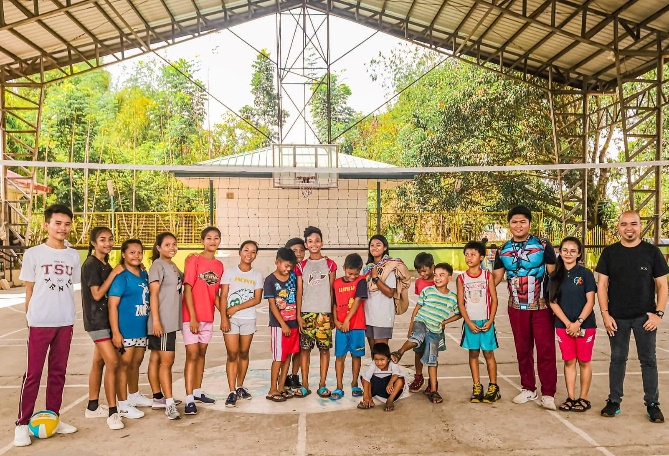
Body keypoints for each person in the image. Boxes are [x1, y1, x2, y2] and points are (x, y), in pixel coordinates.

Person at [14, 205, 82, 447]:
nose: (62, 228)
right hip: (40, 321)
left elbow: (71, 286)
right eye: (57, 223)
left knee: (58, 373)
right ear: (47, 225)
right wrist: (29, 315)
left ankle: (53, 416)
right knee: (33, 373)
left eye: (67, 224)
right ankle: (22, 424)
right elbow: (30, 289)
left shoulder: (73, 256)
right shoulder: (34, 254)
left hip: (65, 320)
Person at [596, 211, 668, 422]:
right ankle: (614, 401)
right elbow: (602, 286)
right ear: (618, 227)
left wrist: (658, 314)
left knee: (649, 361)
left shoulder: (652, 252)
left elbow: (662, 285)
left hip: (645, 319)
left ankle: (652, 404)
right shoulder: (609, 253)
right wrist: (605, 314)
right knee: (617, 359)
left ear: (640, 226)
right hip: (617, 318)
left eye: (634, 224)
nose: (629, 228)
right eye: (624, 224)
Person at [493, 205, 557, 410]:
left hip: (541, 307)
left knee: (546, 350)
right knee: (523, 350)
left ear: (530, 223)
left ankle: (548, 393)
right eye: (514, 222)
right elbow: (495, 278)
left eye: (523, 221)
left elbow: (554, 275)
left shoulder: (543, 245)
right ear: (509, 224)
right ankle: (528, 388)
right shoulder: (502, 250)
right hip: (516, 308)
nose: (518, 225)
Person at [389, 263, 460, 404]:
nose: (437, 278)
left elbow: (459, 314)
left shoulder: (453, 298)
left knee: (432, 359)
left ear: (449, 278)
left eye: (442, 275)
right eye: (435, 275)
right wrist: (411, 325)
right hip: (421, 321)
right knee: (418, 337)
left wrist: (445, 322)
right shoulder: (427, 291)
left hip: (435, 330)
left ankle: (433, 390)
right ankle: (399, 352)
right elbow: (417, 309)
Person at [81, 227, 125, 430]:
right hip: (96, 321)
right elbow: (97, 294)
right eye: (102, 240)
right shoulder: (91, 264)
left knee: (98, 362)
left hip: (106, 320)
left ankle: (92, 407)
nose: (108, 243)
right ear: (93, 243)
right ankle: (113, 412)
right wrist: (114, 273)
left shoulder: (105, 263)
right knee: (113, 362)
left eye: (110, 239)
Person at [548, 237, 596, 413]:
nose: (568, 254)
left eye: (573, 251)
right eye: (565, 250)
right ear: (560, 252)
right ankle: (571, 397)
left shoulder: (586, 274)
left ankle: (583, 398)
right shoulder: (554, 276)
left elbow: (590, 301)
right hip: (564, 326)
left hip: (586, 325)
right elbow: (553, 302)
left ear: (579, 254)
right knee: (569, 361)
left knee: (584, 360)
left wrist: (579, 323)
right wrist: (569, 324)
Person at [182, 227, 225, 415]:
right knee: (192, 355)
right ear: (202, 241)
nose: (212, 241)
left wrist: (224, 315)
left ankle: (197, 392)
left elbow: (215, 295)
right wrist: (193, 317)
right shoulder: (194, 260)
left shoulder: (219, 265)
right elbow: (188, 289)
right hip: (191, 317)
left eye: (216, 238)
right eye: (209, 238)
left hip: (208, 317)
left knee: (201, 354)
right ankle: (189, 398)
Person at [108, 239, 152, 420]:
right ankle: (123, 404)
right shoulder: (121, 277)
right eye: (132, 252)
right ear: (124, 254)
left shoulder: (144, 274)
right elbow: (112, 305)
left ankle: (134, 395)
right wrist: (116, 332)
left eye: (139, 252)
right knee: (124, 365)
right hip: (126, 329)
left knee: (136, 363)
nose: (136, 255)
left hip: (141, 328)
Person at [220, 240, 263, 407]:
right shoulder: (229, 272)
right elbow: (223, 296)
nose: (249, 254)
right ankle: (231, 391)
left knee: (244, 353)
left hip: (248, 318)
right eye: (246, 250)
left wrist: (236, 307)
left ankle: (240, 387)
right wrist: (224, 318)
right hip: (231, 319)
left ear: (256, 255)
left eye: (253, 252)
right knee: (232, 354)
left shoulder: (257, 275)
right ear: (240, 252)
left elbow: (257, 299)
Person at [295, 226, 337, 398]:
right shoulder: (301, 266)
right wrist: (298, 315)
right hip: (307, 313)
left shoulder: (330, 264)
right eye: (310, 241)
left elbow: (332, 291)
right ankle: (305, 384)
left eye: (317, 241)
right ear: (306, 244)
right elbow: (299, 292)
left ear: (322, 243)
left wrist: (333, 314)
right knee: (305, 350)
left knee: (324, 350)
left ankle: (322, 384)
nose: (314, 244)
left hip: (324, 314)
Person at [457, 241, 500, 403]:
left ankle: (493, 387)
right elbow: (461, 303)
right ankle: (477, 386)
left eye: (473, 255)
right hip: (471, 323)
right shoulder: (461, 278)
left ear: (481, 257)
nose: (469, 258)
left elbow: (494, 300)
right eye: (466, 254)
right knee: (473, 353)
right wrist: (468, 322)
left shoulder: (487, 276)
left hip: (486, 322)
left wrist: (491, 320)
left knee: (488, 354)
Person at [147, 232, 183, 420]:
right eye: (167, 245)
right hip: (162, 323)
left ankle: (158, 397)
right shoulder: (157, 265)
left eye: (174, 244)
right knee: (167, 362)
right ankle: (169, 403)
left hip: (169, 321)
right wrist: (156, 321)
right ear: (159, 247)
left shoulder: (172, 265)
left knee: (156, 358)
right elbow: (153, 294)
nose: (172, 248)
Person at [264, 248, 301, 402]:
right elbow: (272, 305)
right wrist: (283, 324)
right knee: (278, 358)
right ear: (277, 262)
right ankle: (272, 389)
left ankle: (281, 388)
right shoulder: (270, 280)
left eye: (290, 266)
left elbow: (297, 296)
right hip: (279, 326)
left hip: (293, 324)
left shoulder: (292, 277)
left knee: (288, 356)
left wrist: (297, 319)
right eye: (286, 266)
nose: (288, 269)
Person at [332, 253, 368, 400]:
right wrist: (336, 321)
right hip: (341, 327)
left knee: (356, 356)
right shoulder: (336, 283)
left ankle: (354, 384)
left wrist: (347, 320)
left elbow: (358, 300)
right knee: (340, 356)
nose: (353, 276)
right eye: (349, 273)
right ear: (344, 268)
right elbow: (334, 304)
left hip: (357, 326)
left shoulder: (361, 281)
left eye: (356, 274)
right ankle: (339, 386)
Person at [364, 235, 399, 347]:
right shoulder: (368, 268)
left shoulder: (389, 267)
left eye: (378, 245)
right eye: (372, 245)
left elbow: (390, 293)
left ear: (385, 247)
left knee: (381, 351)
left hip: (382, 316)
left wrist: (375, 278)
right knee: (374, 351)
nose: (374, 247)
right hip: (368, 315)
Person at [409, 252, 435, 394]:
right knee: (418, 350)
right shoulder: (419, 282)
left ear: (432, 267)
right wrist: (412, 323)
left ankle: (433, 381)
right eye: (419, 271)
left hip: (434, 323)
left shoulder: (438, 281)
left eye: (424, 270)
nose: (422, 274)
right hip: (421, 322)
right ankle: (418, 377)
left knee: (432, 353)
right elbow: (419, 304)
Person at [358, 343, 407, 412]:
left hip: (391, 391)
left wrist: (390, 383)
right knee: (364, 377)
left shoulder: (393, 363)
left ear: (388, 359)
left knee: (400, 380)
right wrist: (365, 395)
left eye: (382, 359)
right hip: (377, 389)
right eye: (376, 359)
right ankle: (369, 400)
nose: (379, 362)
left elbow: (395, 374)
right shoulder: (373, 364)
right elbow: (366, 378)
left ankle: (390, 400)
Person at [284, 237, 306, 390]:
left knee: (300, 347)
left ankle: (294, 375)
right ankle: (283, 376)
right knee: (287, 349)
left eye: (301, 250)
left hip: (304, 313)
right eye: (294, 250)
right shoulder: (286, 271)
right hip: (288, 315)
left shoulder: (306, 268)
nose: (298, 253)